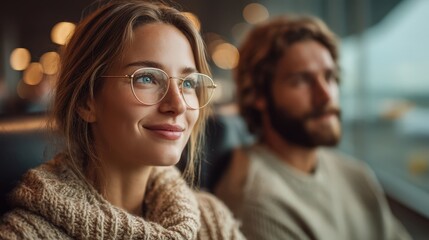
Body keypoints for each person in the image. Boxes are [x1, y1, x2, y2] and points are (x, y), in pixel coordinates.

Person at [0, 1, 244, 239]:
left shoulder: (210, 218)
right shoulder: (25, 234)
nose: (178, 105)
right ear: (86, 101)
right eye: (147, 78)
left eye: (188, 83)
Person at [214, 15, 412, 240]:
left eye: (329, 77)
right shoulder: (255, 203)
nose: (326, 95)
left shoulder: (356, 175)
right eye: (301, 80)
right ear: (259, 95)